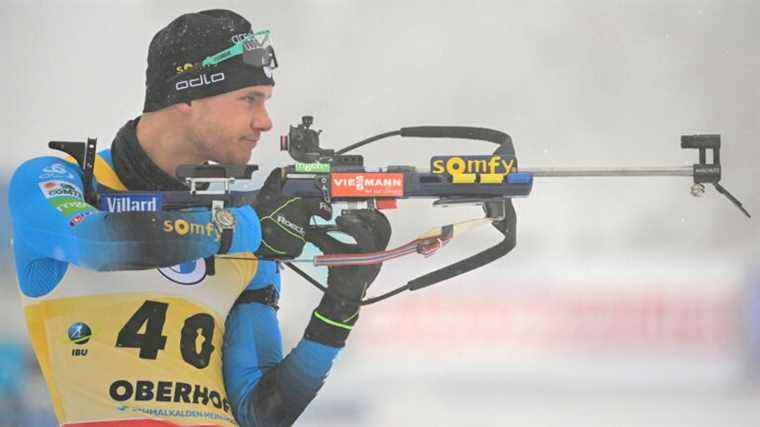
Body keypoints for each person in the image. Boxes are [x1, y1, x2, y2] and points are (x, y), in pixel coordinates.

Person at [9, 9, 389, 427]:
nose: (265, 121)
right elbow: (96, 242)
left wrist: (339, 307)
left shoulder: (241, 223)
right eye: (249, 99)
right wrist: (248, 227)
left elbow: (260, 412)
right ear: (185, 97)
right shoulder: (62, 179)